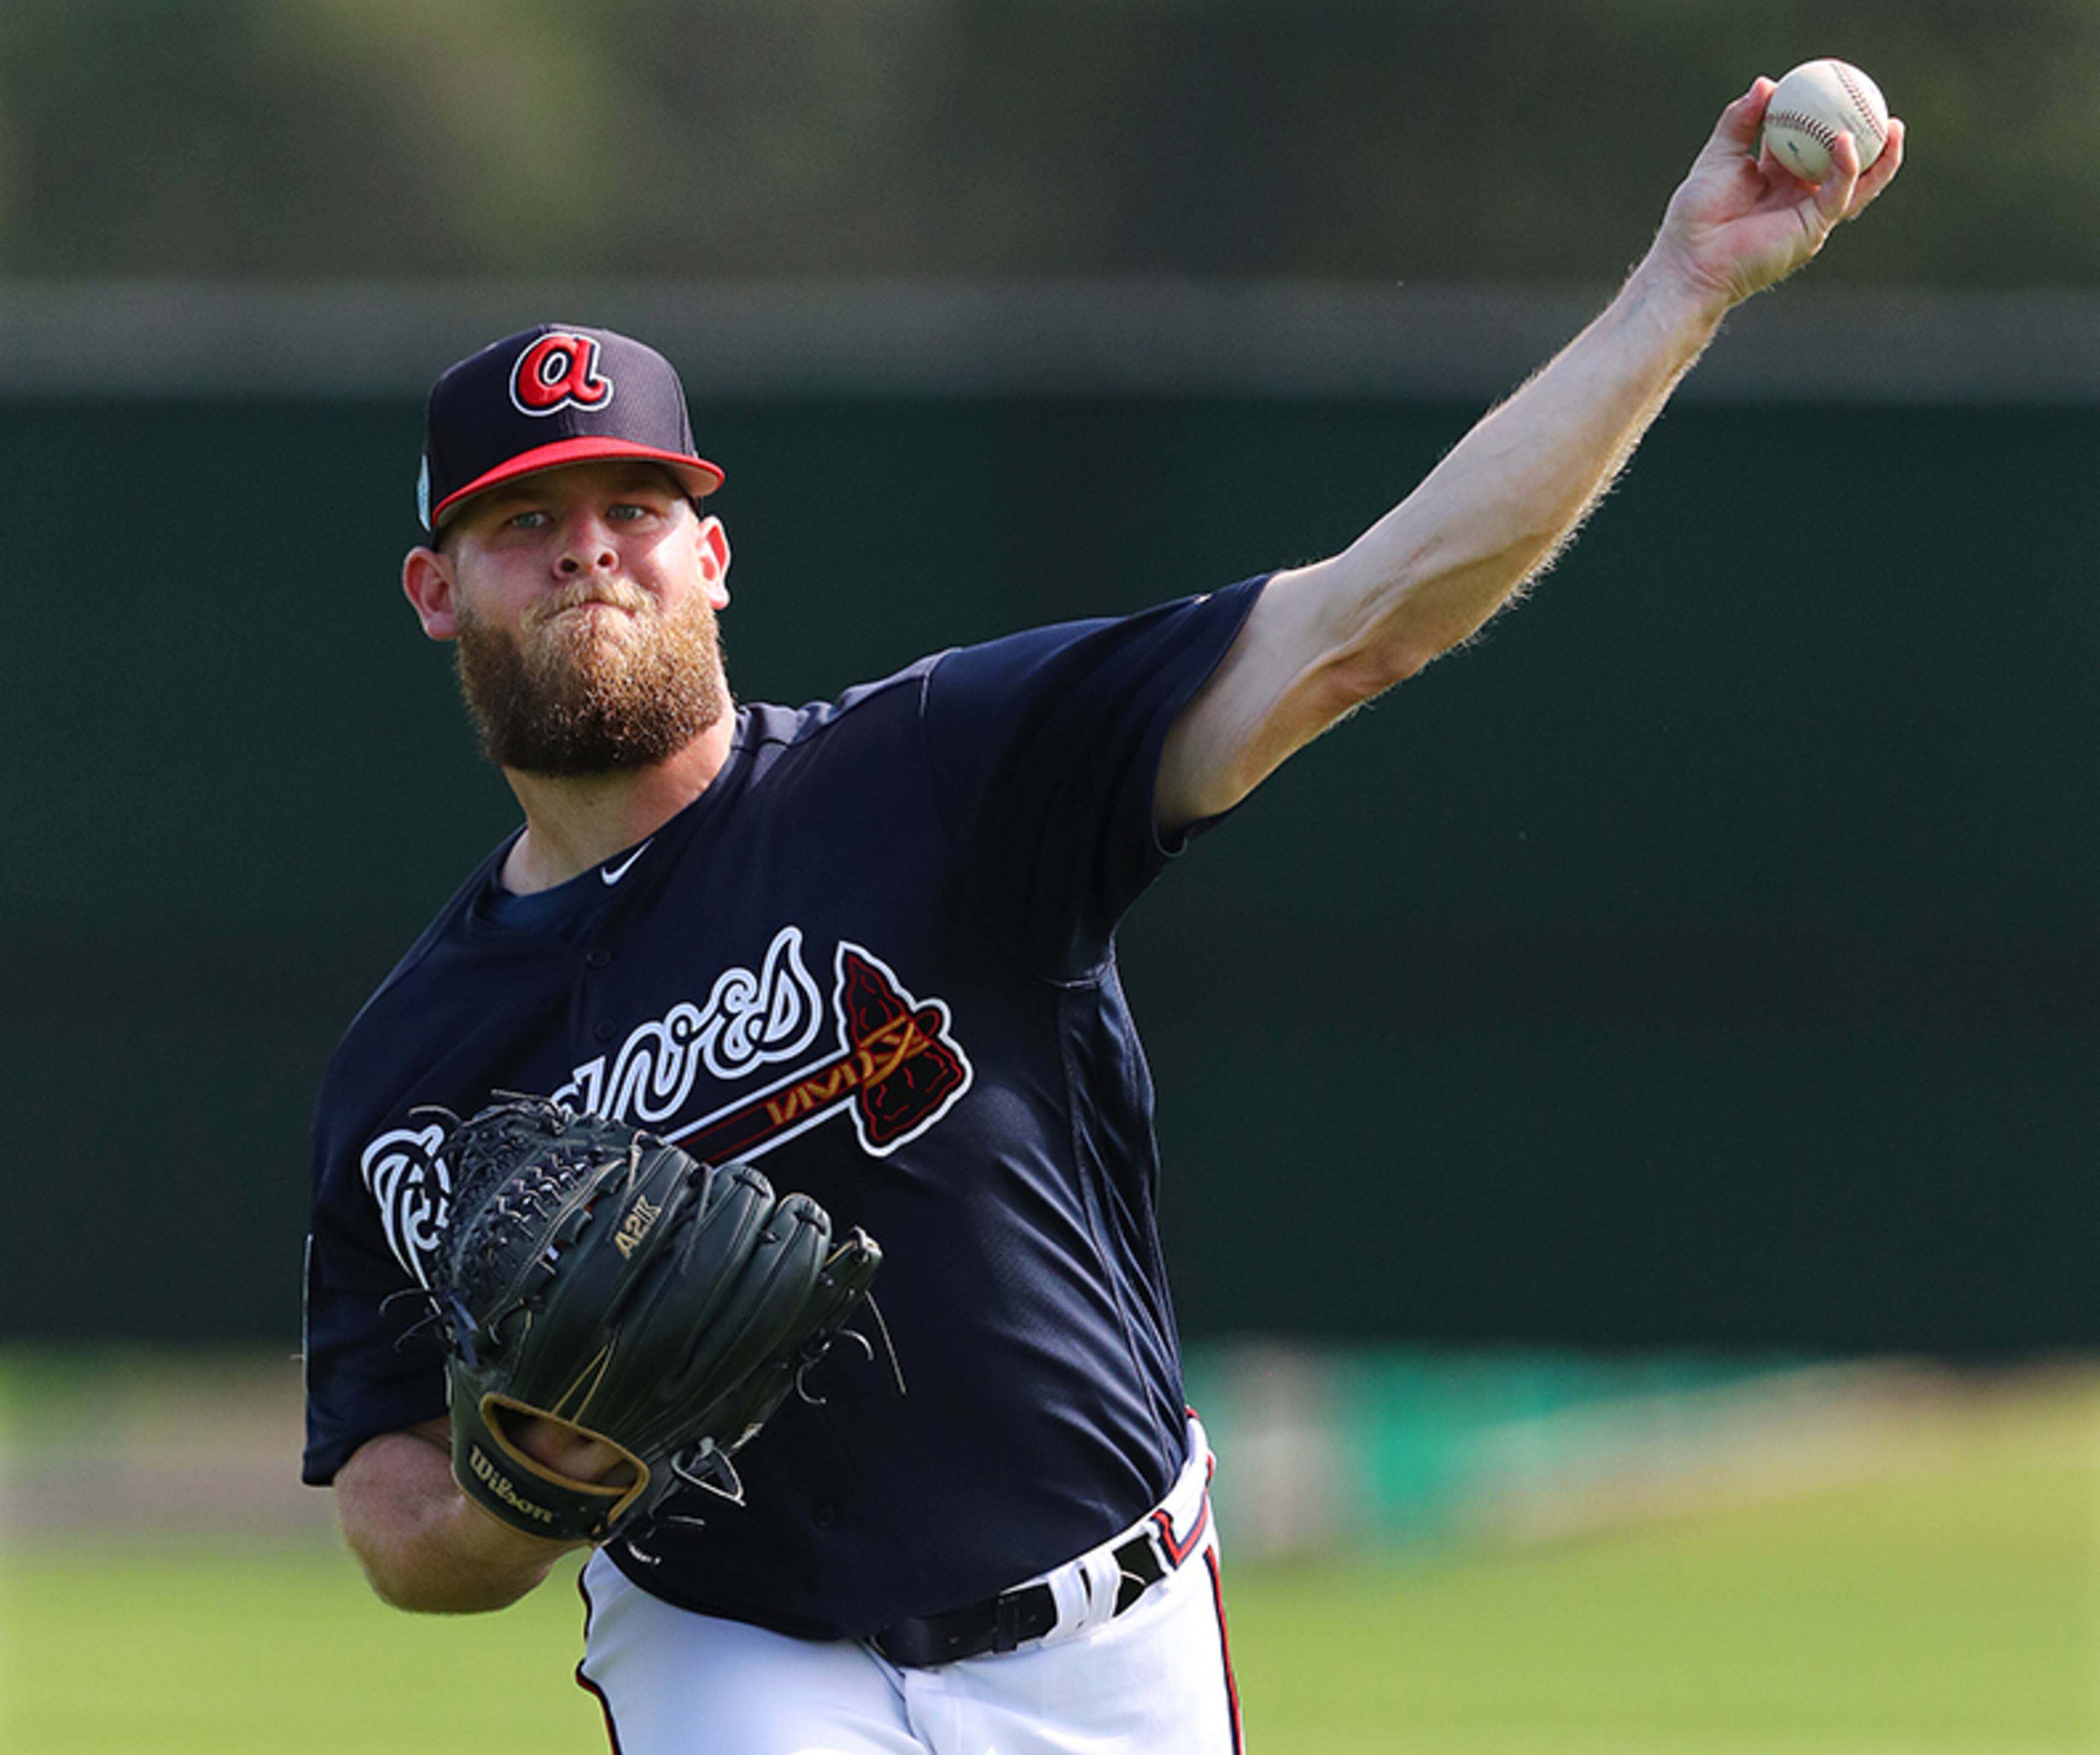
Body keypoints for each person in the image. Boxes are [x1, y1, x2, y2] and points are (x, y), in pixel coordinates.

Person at [302, 82, 1901, 1754]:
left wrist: (1680, 289)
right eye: (522, 523)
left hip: (1103, 1625)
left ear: (715, 557)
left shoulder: (934, 769)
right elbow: (391, 1506)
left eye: (634, 509)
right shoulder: (411, 1063)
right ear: (438, 589)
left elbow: (1364, 617)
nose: (590, 555)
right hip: (732, 1647)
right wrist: (523, 1486)